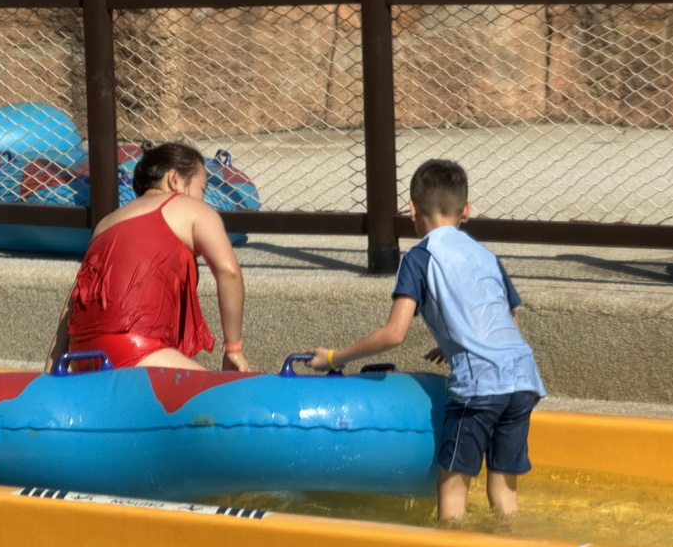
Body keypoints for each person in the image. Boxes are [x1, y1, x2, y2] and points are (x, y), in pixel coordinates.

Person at [306, 159, 545, 521]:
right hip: (524, 378)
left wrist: (336, 357)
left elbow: (394, 333)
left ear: (412, 209)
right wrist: (454, 341)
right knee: (503, 484)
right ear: (466, 211)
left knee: (451, 482)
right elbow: (507, 317)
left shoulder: (420, 257)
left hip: (481, 385)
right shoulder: (487, 256)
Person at [45, 142, 251, 373]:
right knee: (220, 401)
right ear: (175, 179)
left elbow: (75, 300)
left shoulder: (106, 223)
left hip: (81, 354)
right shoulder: (190, 208)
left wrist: (53, 367)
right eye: (201, 188)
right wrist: (233, 349)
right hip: (134, 349)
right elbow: (228, 272)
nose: (202, 198)